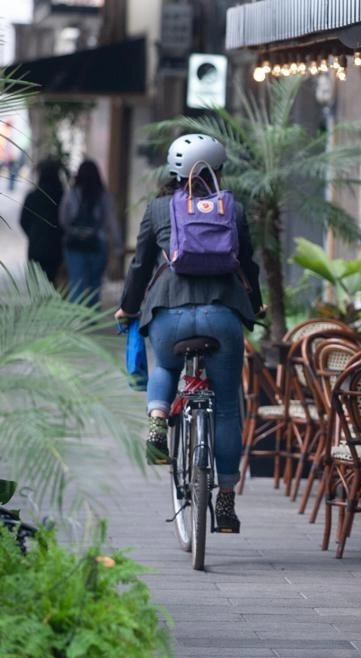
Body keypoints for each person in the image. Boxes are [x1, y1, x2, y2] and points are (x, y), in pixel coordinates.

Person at [115, 134, 263, 533]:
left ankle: (158, 421)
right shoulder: (233, 208)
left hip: (169, 313)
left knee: (164, 364)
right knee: (228, 407)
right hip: (223, 315)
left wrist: (128, 307)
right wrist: (258, 304)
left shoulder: (159, 209)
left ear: (173, 171)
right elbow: (248, 264)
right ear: (218, 170)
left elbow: (140, 266)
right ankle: (227, 502)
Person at [59, 159, 120, 307]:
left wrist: (73, 231)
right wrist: (118, 246)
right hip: (97, 244)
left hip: (74, 245)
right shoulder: (103, 196)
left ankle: (76, 318)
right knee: (94, 285)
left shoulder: (71, 193)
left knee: (77, 283)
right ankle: (91, 317)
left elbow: (63, 218)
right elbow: (111, 222)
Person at [19, 158, 66, 285]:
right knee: (53, 283)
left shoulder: (33, 196)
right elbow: (66, 221)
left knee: (36, 284)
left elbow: (23, 221)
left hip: (36, 245)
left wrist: (33, 234)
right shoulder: (62, 196)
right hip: (56, 246)